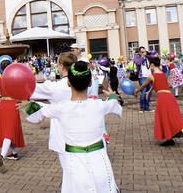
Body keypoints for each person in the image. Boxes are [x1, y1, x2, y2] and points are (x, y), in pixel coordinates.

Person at [27, 61, 122, 192]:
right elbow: (113, 102)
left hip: (75, 165)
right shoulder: (99, 105)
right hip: (100, 163)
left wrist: (26, 105)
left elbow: (40, 111)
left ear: (68, 82)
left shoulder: (61, 108)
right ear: (90, 83)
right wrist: (112, 95)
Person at [134, 57, 183, 155]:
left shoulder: (151, 76)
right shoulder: (163, 74)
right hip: (170, 97)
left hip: (162, 99)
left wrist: (136, 91)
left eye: (150, 65)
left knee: (164, 118)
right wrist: (149, 92)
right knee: (176, 118)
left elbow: (143, 86)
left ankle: (173, 139)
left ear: (153, 65)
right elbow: (159, 85)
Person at [29, 52, 76, 172]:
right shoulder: (86, 83)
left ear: (60, 66)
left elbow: (30, 90)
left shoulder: (55, 87)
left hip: (63, 133)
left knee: (69, 170)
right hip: (84, 131)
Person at [0, 58, 26, 174]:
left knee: (7, 129)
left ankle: (14, 154)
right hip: (12, 105)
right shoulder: (14, 79)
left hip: (2, 105)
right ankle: (2, 156)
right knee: (10, 131)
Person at [134, 46, 153, 112]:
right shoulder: (137, 57)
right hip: (142, 76)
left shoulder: (147, 57)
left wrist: (149, 55)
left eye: (144, 51)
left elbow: (153, 60)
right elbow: (138, 63)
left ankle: (147, 107)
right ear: (139, 52)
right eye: (142, 52)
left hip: (149, 76)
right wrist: (142, 56)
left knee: (149, 92)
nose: (144, 53)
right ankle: (142, 107)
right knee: (143, 92)